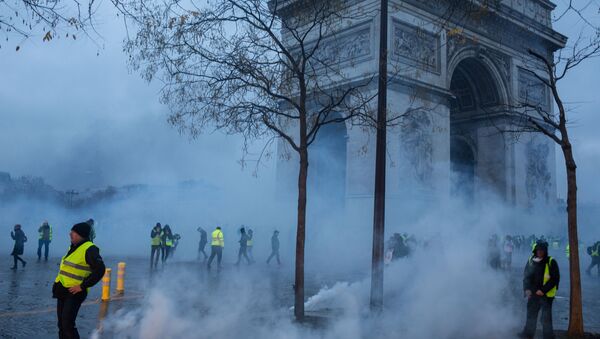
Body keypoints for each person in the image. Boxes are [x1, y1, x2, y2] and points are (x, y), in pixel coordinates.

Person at [53, 222, 105, 339]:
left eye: (74, 232)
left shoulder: (89, 249)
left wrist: (82, 286)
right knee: (61, 324)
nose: (70, 234)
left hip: (74, 293)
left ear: (81, 235)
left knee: (67, 325)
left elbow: (100, 269)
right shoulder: (73, 246)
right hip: (62, 289)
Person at [520, 240, 560, 339]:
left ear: (545, 251)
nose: (540, 252)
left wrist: (543, 290)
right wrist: (526, 289)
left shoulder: (551, 261)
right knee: (531, 316)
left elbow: (555, 279)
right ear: (535, 250)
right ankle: (528, 335)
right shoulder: (530, 260)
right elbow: (526, 276)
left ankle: (548, 337)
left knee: (546, 318)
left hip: (546, 296)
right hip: (533, 294)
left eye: (542, 250)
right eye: (538, 250)